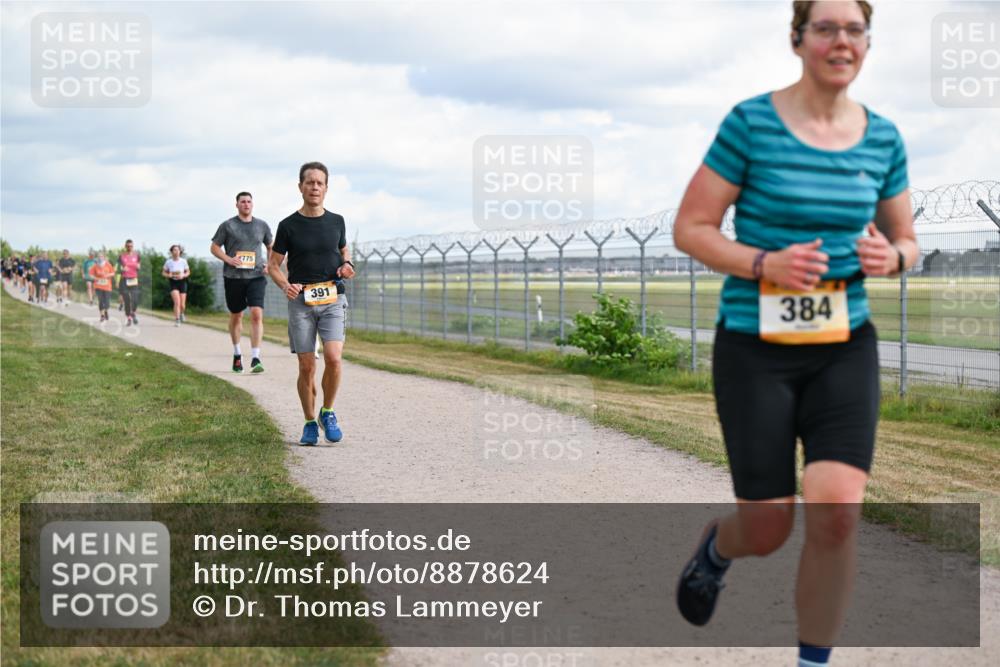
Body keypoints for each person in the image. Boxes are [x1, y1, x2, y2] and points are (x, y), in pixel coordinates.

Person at [671, 2, 917, 666]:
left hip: (844, 342)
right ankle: (718, 548)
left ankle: (814, 660)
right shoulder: (751, 124)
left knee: (837, 510)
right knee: (769, 524)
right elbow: (691, 227)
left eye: (856, 29)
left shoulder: (884, 137)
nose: (843, 40)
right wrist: (764, 263)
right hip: (756, 347)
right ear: (798, 39)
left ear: (868, 42)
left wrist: (890, 258)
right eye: (827, 27)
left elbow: (907, 241)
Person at [267, 162, 356, 445]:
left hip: (333, 296)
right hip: (302, 301)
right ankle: (308, 421)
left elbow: (343, 249)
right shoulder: (288, 226)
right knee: (307, 366)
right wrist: (285, 285)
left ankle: (327, 412)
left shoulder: (337, 221)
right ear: (300, 187)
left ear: (326, 188)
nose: (314, 187)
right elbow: (273, 265)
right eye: (309, 182)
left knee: (334, 358)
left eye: (319, 183)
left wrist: (347, 264)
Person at [211, 192, 273, 373]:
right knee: (237, 315)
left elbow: (270, 246)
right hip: (233, 277)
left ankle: (255, 357)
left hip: (256, 276)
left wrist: (269, 264)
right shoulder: (228, 225)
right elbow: (214, 247)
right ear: (237, 205)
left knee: (256, 314)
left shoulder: (261, 225)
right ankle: (237, 354)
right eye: (242, 202)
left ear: (253, 204)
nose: (246, 204)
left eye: (249, 201)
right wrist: (229, 260)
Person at [161, 244, 191, 326]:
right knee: (177, 302)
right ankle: (177, 320)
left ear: (180, 252)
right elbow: (163, 272)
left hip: (182, 282)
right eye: (174, 250)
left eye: (178, 250)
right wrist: (168, 275)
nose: (176, 251)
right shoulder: (168, 262)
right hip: (173, 282)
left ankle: (182, 314)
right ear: (171, 252)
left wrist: (183, 275)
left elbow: (188, 272)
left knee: (182, 305)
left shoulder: (183, 261)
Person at [118, 239, 142, 326]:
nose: (129, 247)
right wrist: (121, 269)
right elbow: (117, 268)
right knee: (127, 300)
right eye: (128, 246)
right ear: (125, 246)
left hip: (134, 280)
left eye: (131, 246)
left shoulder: (137, 256)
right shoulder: (121, 256)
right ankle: (129, 318)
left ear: (133, 246)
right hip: (124, 279)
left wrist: (138, 267)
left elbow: (139, 265)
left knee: (135, 300)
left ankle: (133, 313)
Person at [89, 251, 116, 322]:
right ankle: (102, 315)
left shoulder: (108, 264)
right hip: (98, 286)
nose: (100, 258)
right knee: (101, 300)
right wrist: (95, 278)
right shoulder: (95, 266)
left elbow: (113, 273)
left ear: (104, 257)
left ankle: (106, 310)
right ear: (97, 257)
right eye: (99, 256)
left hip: (107, 286)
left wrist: (107, 275)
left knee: (107, 302)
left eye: (101, 256)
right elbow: (91, 274)